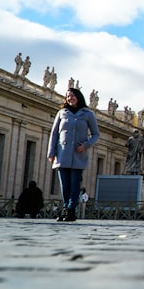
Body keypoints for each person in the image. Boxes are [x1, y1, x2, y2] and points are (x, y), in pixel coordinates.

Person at [48, 87, 99, 222]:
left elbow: (95, 134)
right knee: (64, 184)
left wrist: (86, 145)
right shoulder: (61, 113)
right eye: (68, 96)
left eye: (72, 96)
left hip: (78, 154)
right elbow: (54, 134)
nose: (70, 98)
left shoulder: (88, 114)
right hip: (62, 153)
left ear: (78, 97)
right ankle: (66, 208)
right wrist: (51, 153)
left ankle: (71, 209)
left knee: (75, 183)